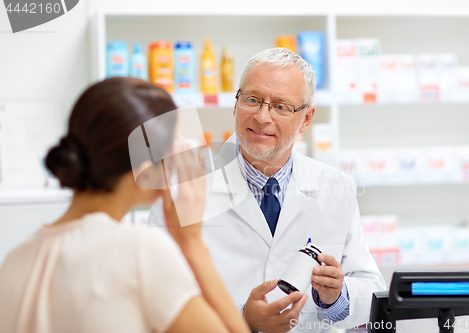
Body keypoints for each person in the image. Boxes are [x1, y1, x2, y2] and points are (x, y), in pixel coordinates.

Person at [148, 47, 386, 332]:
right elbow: (155, 296)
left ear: (306, 119)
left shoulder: (337, 188)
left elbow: (371, 288)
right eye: (253, 100)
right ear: (235, 104)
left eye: (281, 106)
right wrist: (241, 319)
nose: (262, 117)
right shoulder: (180, 190)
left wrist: (336, 297)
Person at [0, 78, 250, 333]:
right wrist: (192, 244)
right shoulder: (140, 252)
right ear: (144, 174)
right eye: (175, 148)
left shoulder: (14, 261)